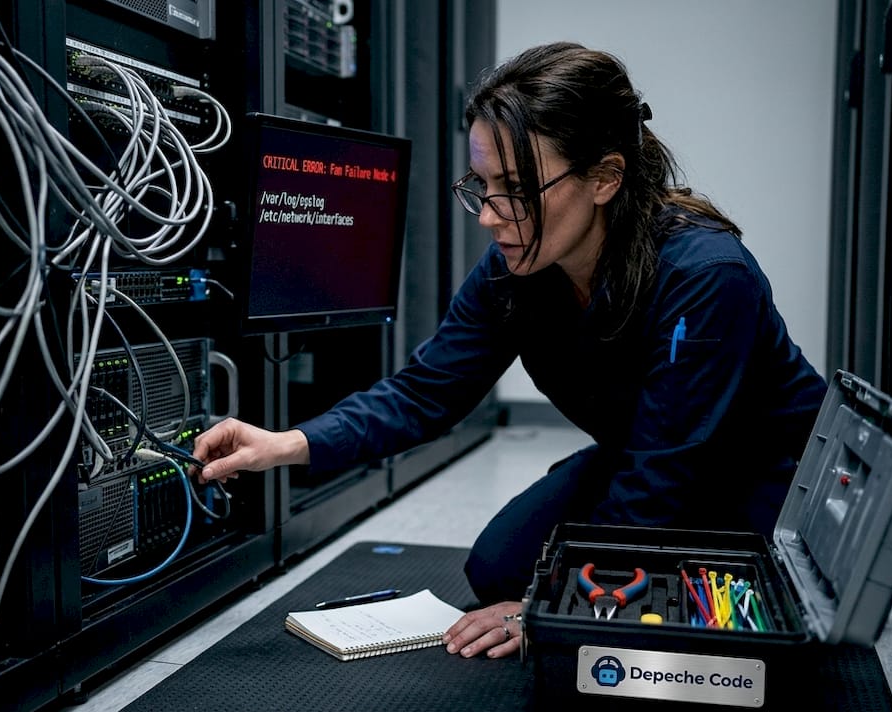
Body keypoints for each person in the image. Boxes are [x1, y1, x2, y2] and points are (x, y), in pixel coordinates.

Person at [192, 42, 827, 659]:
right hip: (644, 454)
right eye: (483, 184)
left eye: (517, 188)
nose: (490, 216)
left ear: (606, 177)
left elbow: (666, 475)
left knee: (628, 607)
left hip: (759, 475)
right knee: (499, 568)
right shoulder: (517, 270)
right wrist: (286, 444)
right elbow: (424, 392)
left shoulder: (705, 275)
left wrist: (551, 607)